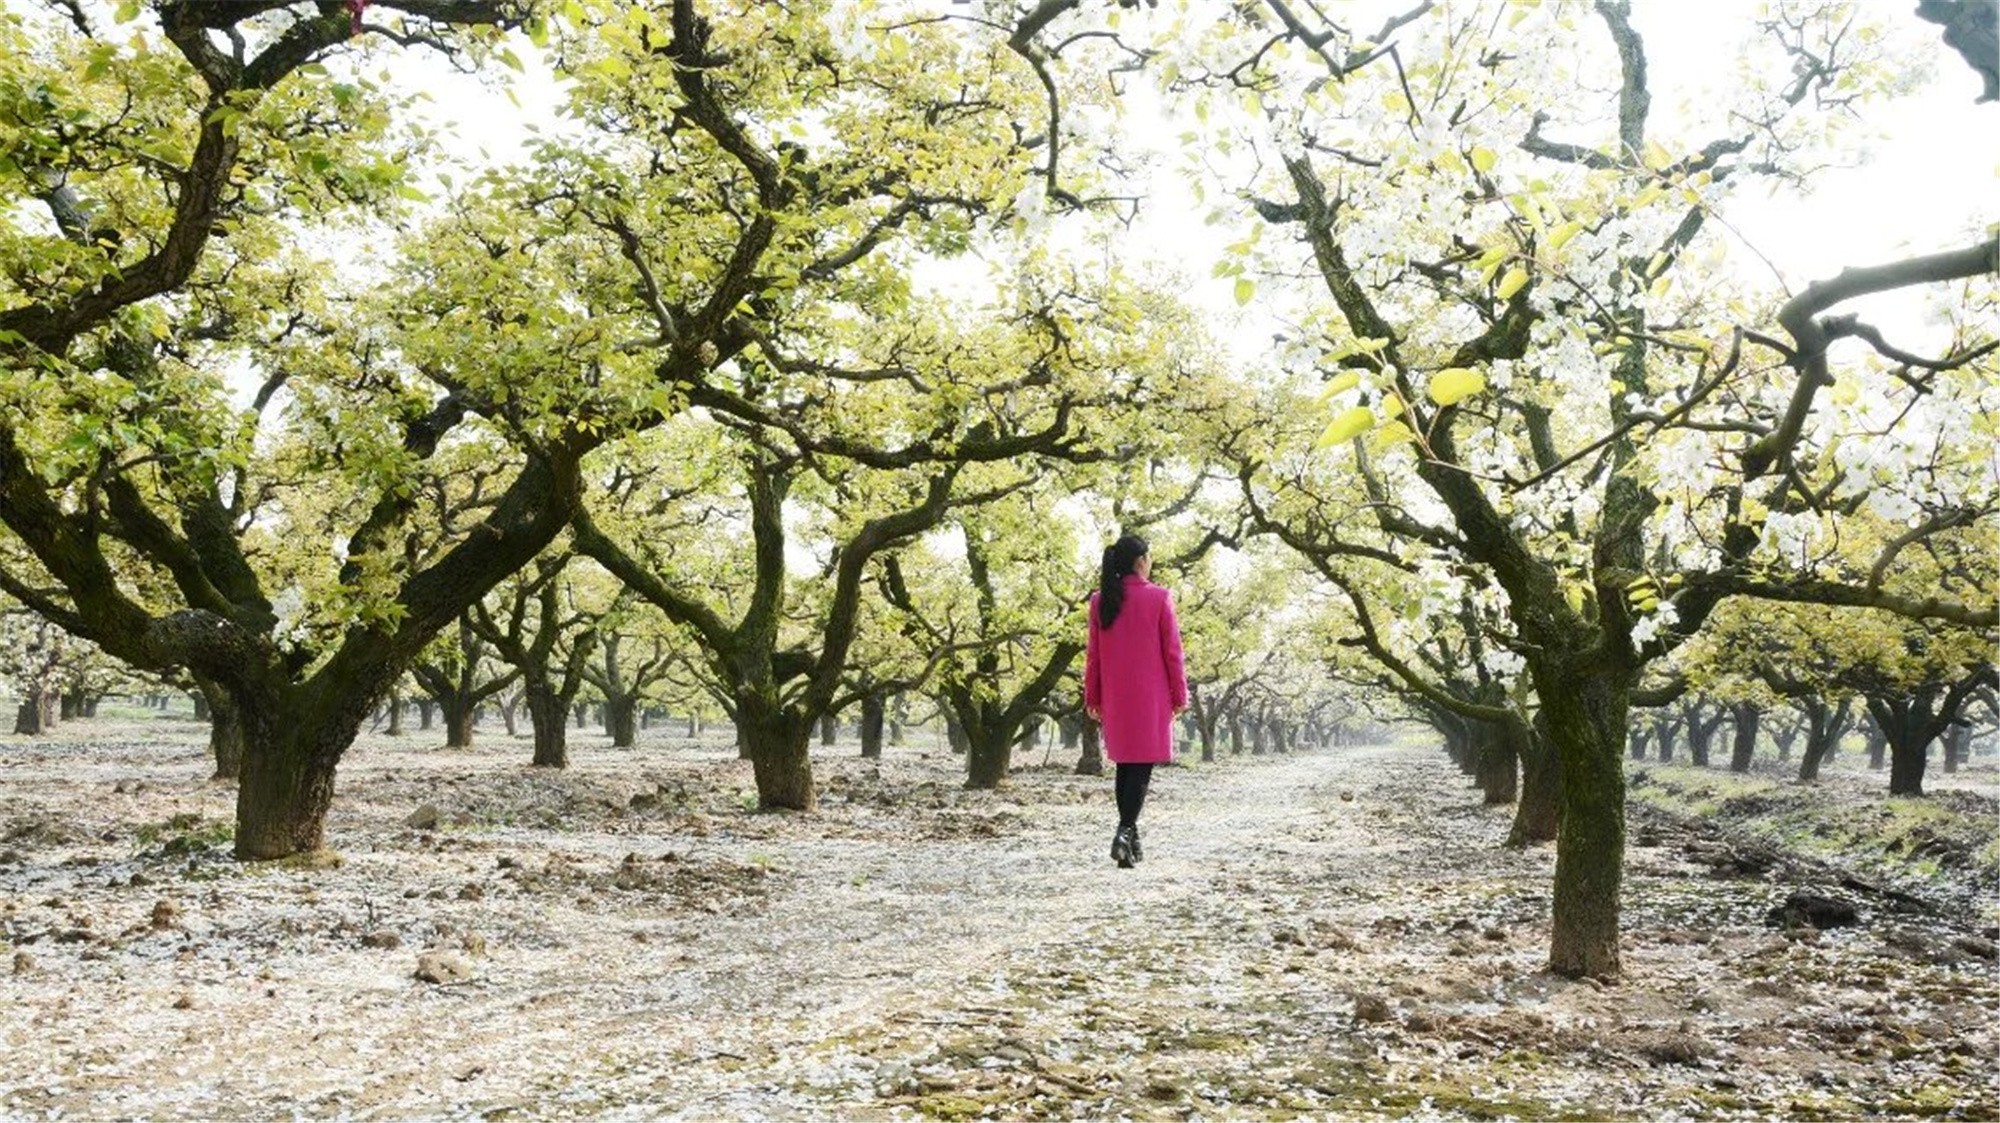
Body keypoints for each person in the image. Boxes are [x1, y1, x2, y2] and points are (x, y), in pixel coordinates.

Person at [1083, 533, 1187, 869]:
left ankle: (1130, 843)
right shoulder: (1159, 597)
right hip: (1150, 695)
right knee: (1141, 766)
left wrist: (1093, 695)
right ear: (1141, 561)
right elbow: (1173, 652)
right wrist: (1179, 694)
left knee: (1126, 764)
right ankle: (1125, 831)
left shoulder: (1101, 600)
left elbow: (1093, 655)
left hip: (1116, 694)